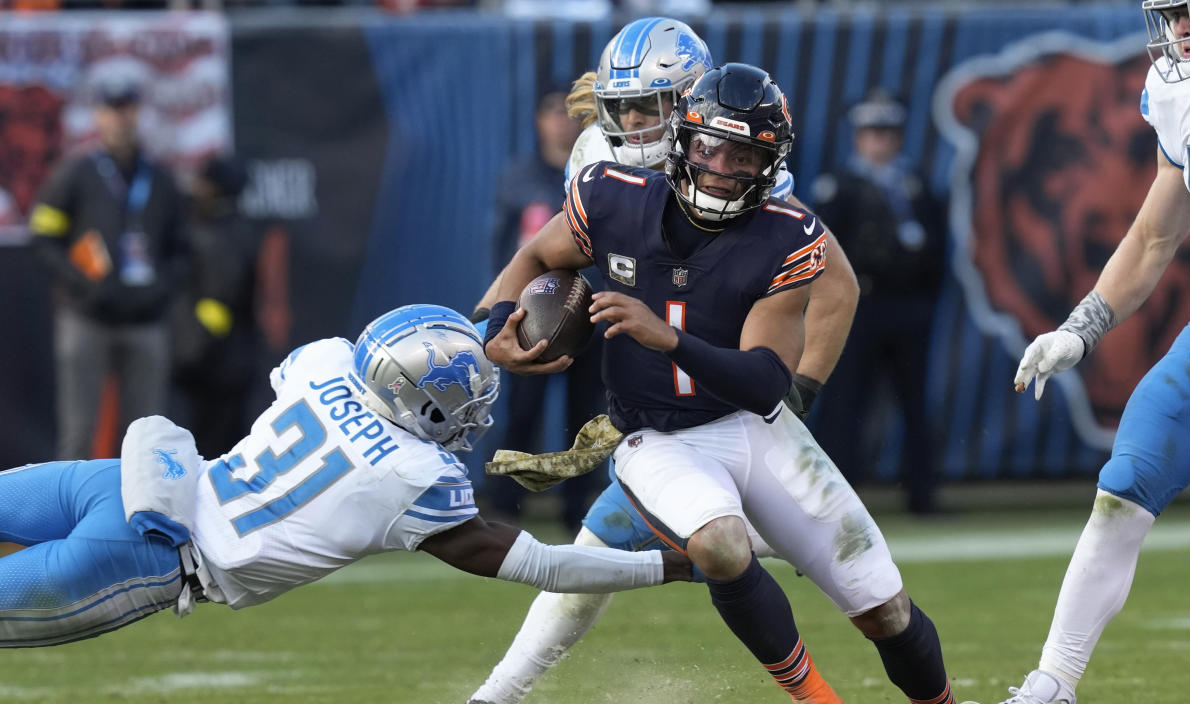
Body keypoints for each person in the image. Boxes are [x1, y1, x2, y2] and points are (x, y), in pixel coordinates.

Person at [468, 63, 1005, 704]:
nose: (723, 171)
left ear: (770, 165)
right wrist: (502, 324)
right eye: (713, 151)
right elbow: (538, 254)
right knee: (718, 545)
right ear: (683, 143)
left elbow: (762, 382)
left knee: (883, 607)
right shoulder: (612, 196)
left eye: (746, 157)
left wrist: (669, 339)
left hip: (750, 425)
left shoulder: (787, 236)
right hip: (651, 437)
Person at [430, 20, 837, 704]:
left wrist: (798, 389)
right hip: (658, 401)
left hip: (734, 395)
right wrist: (493, 328)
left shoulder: (748, 176)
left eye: (650, 108)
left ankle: (906, 699)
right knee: (599, 546)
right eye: (621, 109)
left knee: (845, 558)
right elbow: (548, 256)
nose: (629, 128)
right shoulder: (598, 163)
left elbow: (834, 291)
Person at [0, 304, 692, 652]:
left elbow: (412, 355)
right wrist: (678, 568)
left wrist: (482, 337)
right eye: (465, 400)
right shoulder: (414, 476)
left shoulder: (327, 363)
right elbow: (547, 564)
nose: (474, 413)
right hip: (151, 554)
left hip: (122, 479)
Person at [959, 0, 1190, 704]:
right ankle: (1049, 696)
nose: (1186, 30)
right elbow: (1154, 234)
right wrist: (1078, 330)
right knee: (1123, 488)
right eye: (1175, 15)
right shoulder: (1176, 91)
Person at [28, 72, 191, 461]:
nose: (120, 118)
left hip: (145, 320)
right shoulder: (77, 172)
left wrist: (161, 289)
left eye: (126, 109)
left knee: (146, 432)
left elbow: (183, 249)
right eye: (111, 110)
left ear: (137, 113)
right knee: (78, 431)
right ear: (98, 116)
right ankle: (68, 516)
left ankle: (143, 515)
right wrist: (82, 282)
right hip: (87, 317)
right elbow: (43, 235)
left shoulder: (161, 178)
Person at [811, 89, 947, 515]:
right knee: (846, 402)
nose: (880, 141)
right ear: (858, 136)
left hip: (908, 307)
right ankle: (840, 497)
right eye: (872, 132)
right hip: (860, 308)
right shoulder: (839, 186)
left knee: (914, 402)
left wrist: (925, 296)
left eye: (888, 132)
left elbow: (940, 246)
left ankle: (922, 494)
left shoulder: (915, 182)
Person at [480, 83, 607, 532]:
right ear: (538, 120)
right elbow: (507, 251)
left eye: (568, 112)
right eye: (551, 111)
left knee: (587, 416)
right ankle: (503, 503)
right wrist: (503, 305)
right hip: (531, 314)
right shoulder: (520, 178)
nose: (561, 121)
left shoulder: (595, 176)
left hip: (588, 310)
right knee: (521, 413)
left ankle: (579, 508)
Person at [171, 154, 266, 460]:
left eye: (203, 182)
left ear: (216, 188)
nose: (195, 187)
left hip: (217, 366)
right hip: (212, 364)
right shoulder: (212, 225)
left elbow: (220, 301)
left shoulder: (224, 234)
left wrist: (193, 348)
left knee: (216, 451)